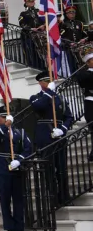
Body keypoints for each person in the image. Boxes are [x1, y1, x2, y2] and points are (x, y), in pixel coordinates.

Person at [0, 106, 33, 231]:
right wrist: (4, 127)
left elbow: (28, 148)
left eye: (0, 118)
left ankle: (19, 226)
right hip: (2, 168)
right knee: (5, 199)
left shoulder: (20, 132)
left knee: (19, 199)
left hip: (16, 168)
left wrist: (19, 159)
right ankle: (10, 226)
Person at [30, 71, 73, 204]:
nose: (49, 83)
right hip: (45, 135)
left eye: (50, 81)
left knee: (61, 167)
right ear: (40, 83)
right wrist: (49, 93)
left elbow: (69, 117)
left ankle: (64, 196)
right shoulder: (35, 97)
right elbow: (39, 106)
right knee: (48, 167)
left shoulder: (61, 99)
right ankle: (52, 197)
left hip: (59, 136)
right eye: (46, 81)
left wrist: (63, 129)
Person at [18, 0, 45, 70]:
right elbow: (22, 24)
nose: (31, 3)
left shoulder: (39, 12)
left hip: (40, 35)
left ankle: (43, 66)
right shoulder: (23, 13)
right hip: (29, 35)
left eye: (32, 1)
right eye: (29, 2)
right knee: (32, 52)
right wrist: (31, 28)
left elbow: (45, 20)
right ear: (26, 3)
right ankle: (34, 66)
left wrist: (43, 26)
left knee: (42, 52)